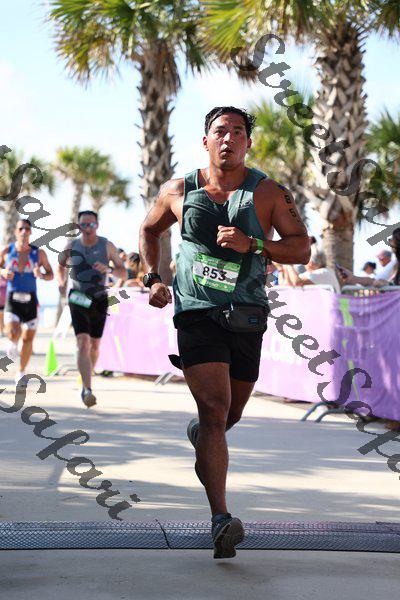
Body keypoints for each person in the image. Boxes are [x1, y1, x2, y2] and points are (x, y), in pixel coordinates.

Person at [139, 106, 310, 559]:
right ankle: (221, 518)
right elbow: (149, 231)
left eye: (238, 132)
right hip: (197, 312)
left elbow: (301, 249)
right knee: (215, 410)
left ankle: (203, 437)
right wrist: (152, 278)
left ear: (248, 143)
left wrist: (254, 244)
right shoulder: (178, 189)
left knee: (229, 413)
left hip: (247, 314)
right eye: (220, 131)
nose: (228, 138)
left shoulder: (269, 192)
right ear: (206, 140)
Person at [56, 210, 126, 407]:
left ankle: (86, 376)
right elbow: (60, 265)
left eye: (91, 225)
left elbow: (124, 273)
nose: (88, 229)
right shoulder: (72, 246)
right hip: (78, 297)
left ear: (97, 225)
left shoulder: (107, 246)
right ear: (79, 227)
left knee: (95, 346)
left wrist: (109, 269)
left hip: (99, 298)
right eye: (84, 225)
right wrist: (61, 282)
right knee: (83, 341)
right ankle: (87, 389)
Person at [0, 218, 53, 382]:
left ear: (31, 232)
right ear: (16, 231)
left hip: (31, 300)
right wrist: (3, 272)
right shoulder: (7, 250)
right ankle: (12, 342)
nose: (24, 231)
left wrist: (41, 275)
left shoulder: (39, 253)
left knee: (28, 339)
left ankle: (21, 371)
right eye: (21, 229)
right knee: (13, 332)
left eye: (27, 229)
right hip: (12, 298)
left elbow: (50, 275)